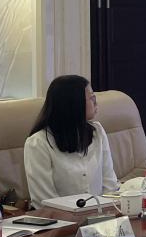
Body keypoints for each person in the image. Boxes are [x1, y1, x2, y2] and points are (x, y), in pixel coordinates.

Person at [23, 75, 119, 208]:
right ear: (74, 103)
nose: (96, 102)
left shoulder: (97, 132)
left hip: (100, 214)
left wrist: (108, 212)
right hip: (59, 218)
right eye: (91, 98)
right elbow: (44, 200)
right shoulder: (38, 143)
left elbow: (110, 185)